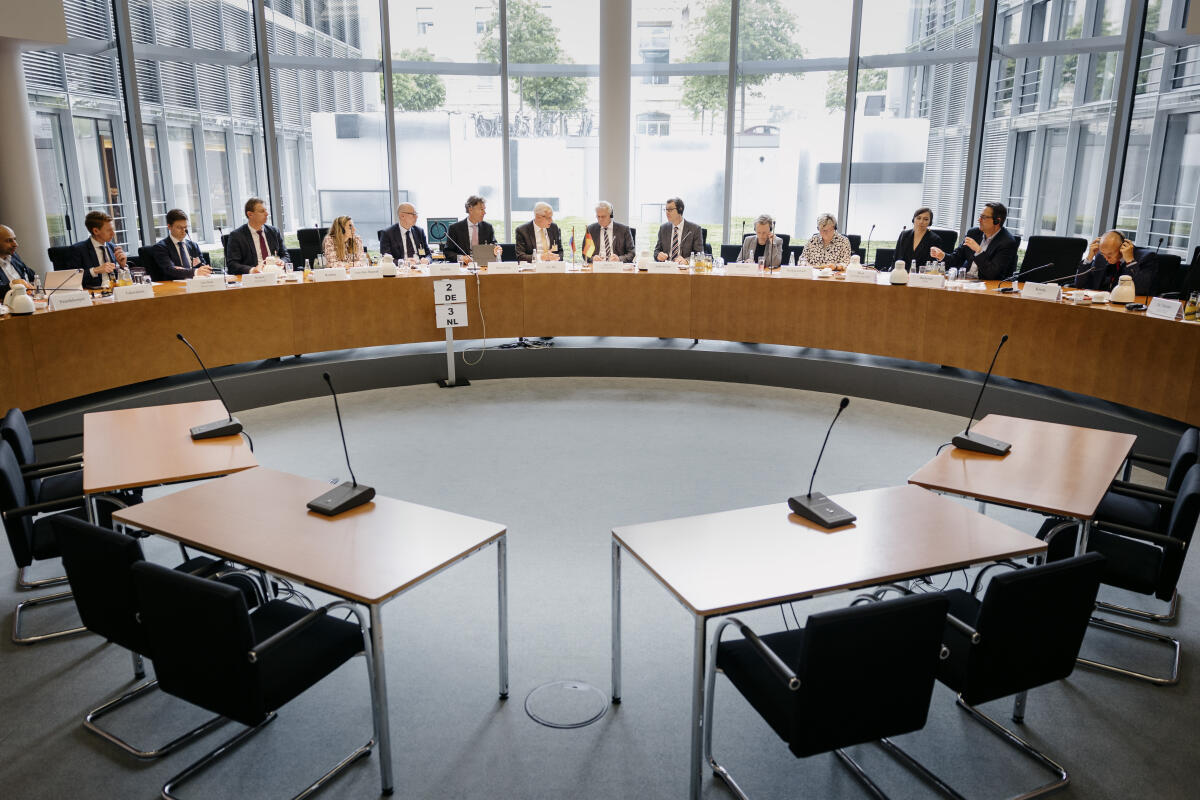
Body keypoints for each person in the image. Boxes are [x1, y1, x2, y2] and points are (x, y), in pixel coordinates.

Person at [929, 202, 1017, 280]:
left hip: (987, 286)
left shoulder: (1007, 242)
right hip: (964, 280)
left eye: (984, 217)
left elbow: (992, 274)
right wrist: (942, 255)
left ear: (997, 221)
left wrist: (978, 251)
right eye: (980, 216)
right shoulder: (974, 233)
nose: (979, 220)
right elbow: (956, 259)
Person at [1076, 230, 1159, 296]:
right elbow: (1079, 284)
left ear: (1122, 247)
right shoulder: (1101, 255)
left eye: (1110, 254)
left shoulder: (1146, 257)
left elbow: (1140, 289)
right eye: (1103, 254)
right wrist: (1089, 258)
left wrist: (1130, 261)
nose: (1106, 258)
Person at [224, 197, 290, 275]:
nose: (267, 214)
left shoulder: (274, 232)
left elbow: (285, 255)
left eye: (266, 210)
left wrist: (282, 261)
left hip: (276, 274)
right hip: (254, 278)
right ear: (250, 214)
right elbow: (232, 264)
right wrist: (252, 270)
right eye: (262, 211)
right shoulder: (237, 236)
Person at [68, 210, 128, 288]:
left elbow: (122, 279)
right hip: (94, 294)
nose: (113, 233)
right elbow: (71, 278)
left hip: (114, 291)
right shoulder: (78, 250)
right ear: (96, 231)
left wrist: (123, 266)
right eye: (109, 230)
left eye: (113, 229)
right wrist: (95, 270)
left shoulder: (113, 247)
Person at [148, 209, 211, 280]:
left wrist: (204, 269)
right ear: (169, 227)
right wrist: (195, 272)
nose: (183, 231)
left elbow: (201, 266)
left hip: (196, 283)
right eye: (179, 227)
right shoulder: (161, 247)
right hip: (173, 286)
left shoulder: (193, 245)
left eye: (185, 227)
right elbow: (170, 270)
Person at [444, 195, 500, 264]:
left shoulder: (488, 227)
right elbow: (447, 252)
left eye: (484, 209)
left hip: (483, 266)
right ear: (470, 209)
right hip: (463, 267)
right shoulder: (455, 228)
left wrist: (497, 248)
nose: (484, 213)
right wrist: (461, 258)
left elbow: (494, 244)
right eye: (481, 209)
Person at [654, 197, 703, 265]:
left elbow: (699, 255)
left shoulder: (695, 229)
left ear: (680, 210)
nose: (667, 213)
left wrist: (687, 261)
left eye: (670, 209)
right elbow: (656, 251)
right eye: (666, 209)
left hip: (684, 270)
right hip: (667, 268)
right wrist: (658, 255)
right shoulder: (663, 228)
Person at [0, 225, 36, 295]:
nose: (15, 244)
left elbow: (31, 275)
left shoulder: (13, 256)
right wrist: (13, 284)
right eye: (9, 240)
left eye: (14, 239)